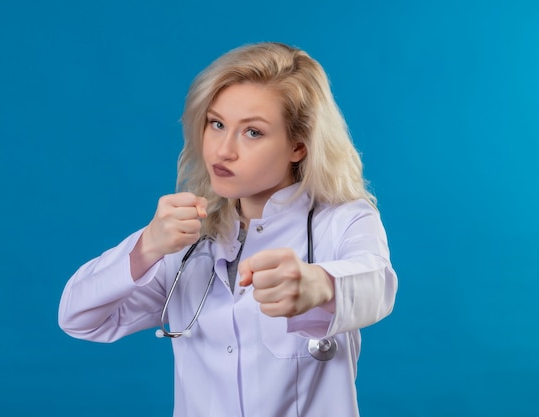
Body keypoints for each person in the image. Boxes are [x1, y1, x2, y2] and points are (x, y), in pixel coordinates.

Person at [58, 41, 398, 417]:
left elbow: (378, 283)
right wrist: (146, 248)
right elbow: (79, 318)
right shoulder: (189, 240)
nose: (222, 151)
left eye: (252, 132)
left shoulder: (342, 219)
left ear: (298, 146)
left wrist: (317, 284)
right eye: (216, 124)